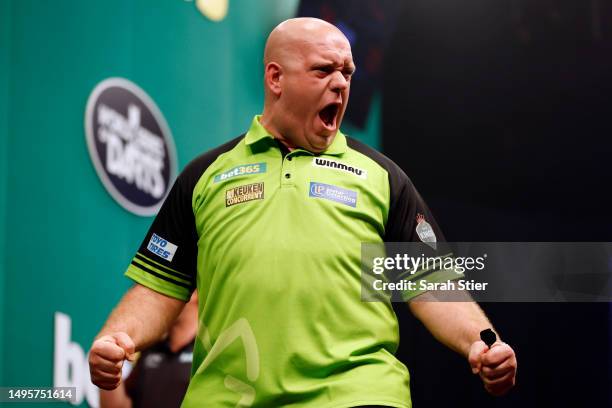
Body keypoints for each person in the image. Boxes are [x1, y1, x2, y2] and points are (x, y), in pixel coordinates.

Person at [89, 17, 517, 407]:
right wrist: (118, 337)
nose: (341, 84)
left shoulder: (381, 177)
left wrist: (482, 344)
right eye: (323, 70)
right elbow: (159, 286)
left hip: (356, 394)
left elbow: (431, 283)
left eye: (347, 72)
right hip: (227, 398)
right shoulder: (205, 176)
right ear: (276, 78)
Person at [99, 292, 198, 408]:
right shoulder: (150, 348)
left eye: (170, 290)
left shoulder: (209, 351)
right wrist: (109, 366)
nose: (161, 298)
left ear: (195, 295)